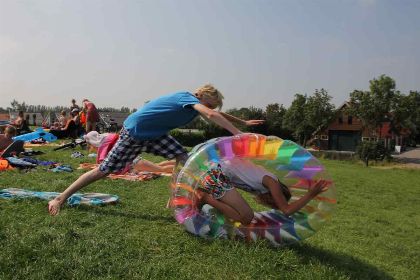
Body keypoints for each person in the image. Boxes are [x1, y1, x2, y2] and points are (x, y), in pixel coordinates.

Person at [48, 84, 264, 215]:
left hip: (154, 134)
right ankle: (60, 198)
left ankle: (174, 198)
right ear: (201, 95)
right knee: (103, 170)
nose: (210, 109)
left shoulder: (196, 105)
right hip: (135, 132)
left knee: (183, 157)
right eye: (210, 104)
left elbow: (217, 114)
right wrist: (238, 133)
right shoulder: (187, 97)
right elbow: (211, 115)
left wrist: (242, 121)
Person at [195, 157, 329, 225]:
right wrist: (311, 194)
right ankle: (205, 198)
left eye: (272, 204)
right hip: (215, 174)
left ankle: (202, 200)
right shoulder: (272, 182)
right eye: (275, 200)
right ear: (278, 193)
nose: (270, 202)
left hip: (213, 174)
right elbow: (287, 210)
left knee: (241, 214)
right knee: (247, 216)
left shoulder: (261, 187)